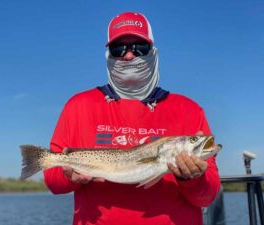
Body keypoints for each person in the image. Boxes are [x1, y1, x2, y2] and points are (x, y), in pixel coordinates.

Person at [44, 12, 220, 225]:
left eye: (139, 48)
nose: (129, 56)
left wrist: (192, 178)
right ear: (108, 54)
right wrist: (69, 176)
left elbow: (207, 196)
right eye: (119, 49)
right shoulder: (78, 106)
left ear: (153, 53)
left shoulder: (190, 110)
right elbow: (53, 181)